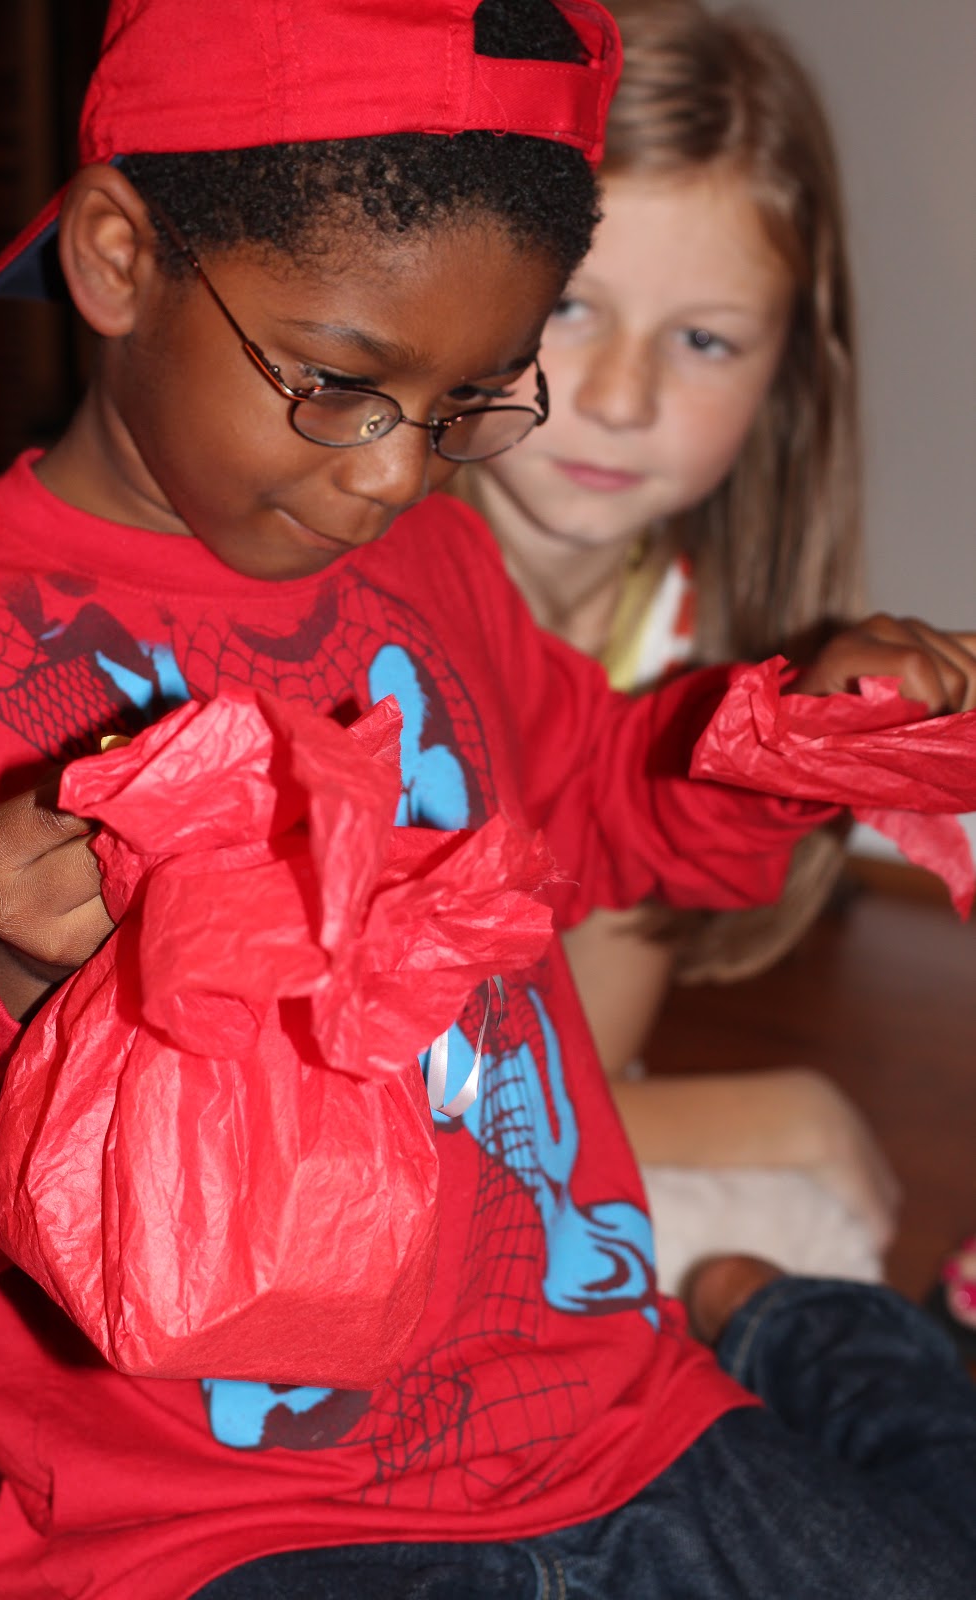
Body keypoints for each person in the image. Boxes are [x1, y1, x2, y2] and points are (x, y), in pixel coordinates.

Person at [0, 3, 975, 1597]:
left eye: (471, 397)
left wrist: (783, 742)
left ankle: (806, 1334)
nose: (394, 475)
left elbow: (607, 804)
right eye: (338, 381)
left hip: (613, 1423)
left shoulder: (431, 564)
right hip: (228, 1524)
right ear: (119, 259)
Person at [460, 0, 899, 1270]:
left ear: (786, 372)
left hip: (510, 1102)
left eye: (701, 338)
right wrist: (782, 1111)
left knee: (814, 1244)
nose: (620, 396)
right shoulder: (343, 590)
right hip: (296, 1130)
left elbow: (574, 1084)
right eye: (568, 307)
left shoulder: (681, 649)